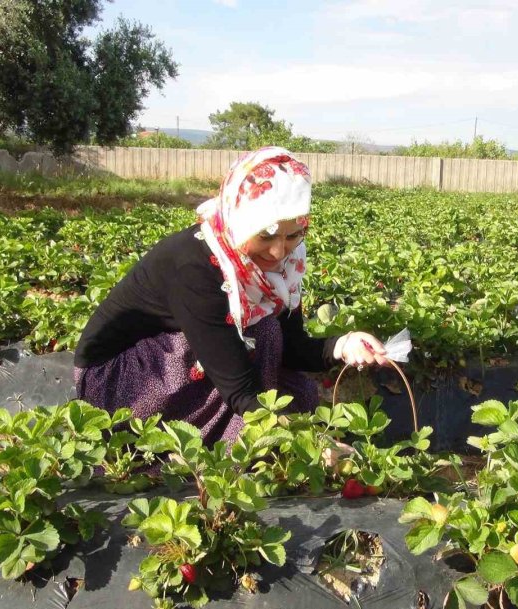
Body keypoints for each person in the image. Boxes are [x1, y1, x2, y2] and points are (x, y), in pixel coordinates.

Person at [73, 146, 389, 445]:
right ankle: (212, 452)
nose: (279, 251)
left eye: (293, 235)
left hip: (187, 361)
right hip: (121, 383)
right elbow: (239, 390)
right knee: (261, 332)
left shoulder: (285, 265)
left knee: (297, 390)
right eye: (266, 235)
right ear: (241, 221)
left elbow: (291, 349)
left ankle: (256, 443)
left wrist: (343, 345)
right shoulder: (196, 266)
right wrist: (306, 445)